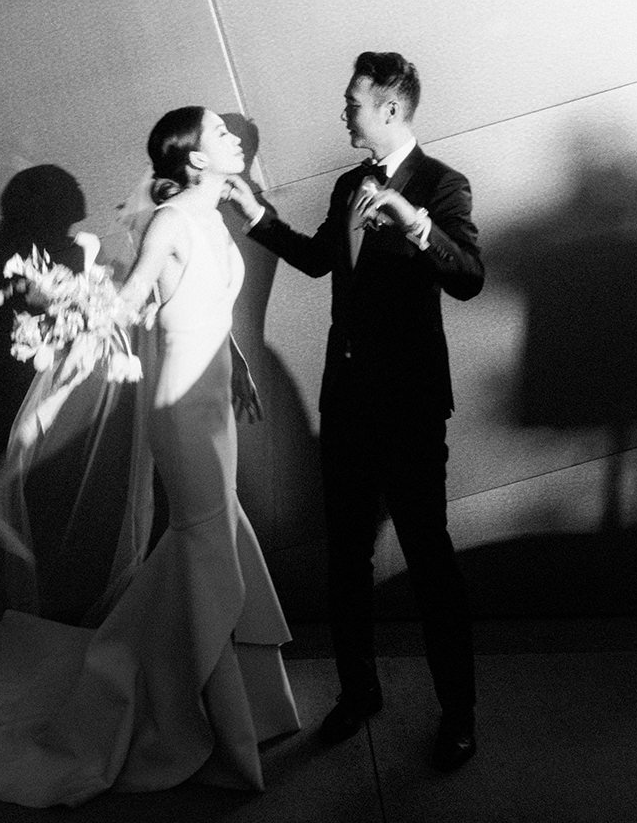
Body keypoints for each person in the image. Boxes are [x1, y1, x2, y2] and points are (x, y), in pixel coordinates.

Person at [0, 107, 300, 807]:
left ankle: (211, 704)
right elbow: (127, 306)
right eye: (218, 134)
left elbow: (199, 303)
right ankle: (181, 716)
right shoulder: (171, 223)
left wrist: (237, 362)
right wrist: (69, 300)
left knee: (207, 546)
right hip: (182, 412)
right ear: (189, 157)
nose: (233, 141)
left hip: (215, 401)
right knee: (207, 545)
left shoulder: (213, 218)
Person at [226, 51, 484, 772]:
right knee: (346, 556)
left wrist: (418, 225)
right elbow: (318, 260)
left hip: (407, 408)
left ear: (391, 110)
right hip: (344, 405)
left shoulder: (442, 184)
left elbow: (470, 276)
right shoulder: (348, 182)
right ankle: (358, 691)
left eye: (353, 103)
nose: (345, 112)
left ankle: (458, 714)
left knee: (430, 559)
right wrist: (258, 219)